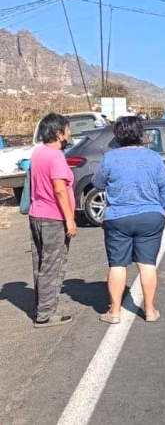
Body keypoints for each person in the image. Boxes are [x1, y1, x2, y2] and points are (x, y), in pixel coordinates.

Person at [92, 116, 165, 324]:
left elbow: (98, 182)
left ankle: (115, 312)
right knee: (147, 265)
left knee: (117, 264)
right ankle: (150, 310)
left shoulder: (110, 158)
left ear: (118, 136)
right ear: (140, 134)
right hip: (150, 216)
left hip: (118, 217)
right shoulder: (153, 157)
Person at [28, 113, 77, 328]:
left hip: (36, 214)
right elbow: (59, 190)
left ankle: (42, 307)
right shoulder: (56, 156)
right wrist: (70, 220)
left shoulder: (38, 153)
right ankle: (46, 314)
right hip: (52, 217)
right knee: (53, 265)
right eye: (67, 130)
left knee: (40, 263)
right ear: (58, 133)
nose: (70, 134)